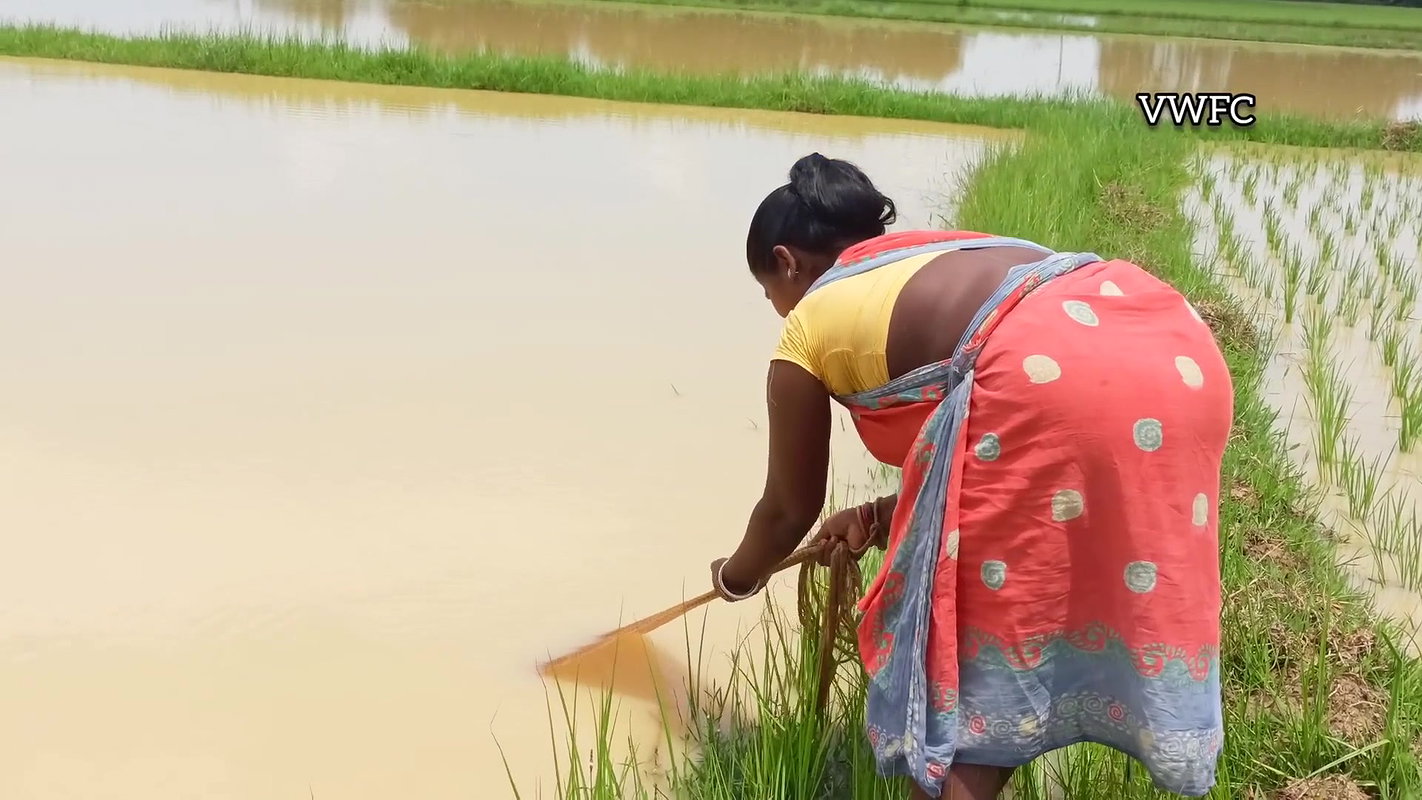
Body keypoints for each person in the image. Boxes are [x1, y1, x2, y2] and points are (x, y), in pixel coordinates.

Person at [708, 153, 1231, 799]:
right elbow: (1001, 460)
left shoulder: (810, 323)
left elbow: (787, 509)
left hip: (1045, 370)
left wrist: (735, 579)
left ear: (787, 262)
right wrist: (876, 517)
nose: (776, 308)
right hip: (1173, 343)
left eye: (769, 292)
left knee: (966, 713)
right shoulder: (949, 251)